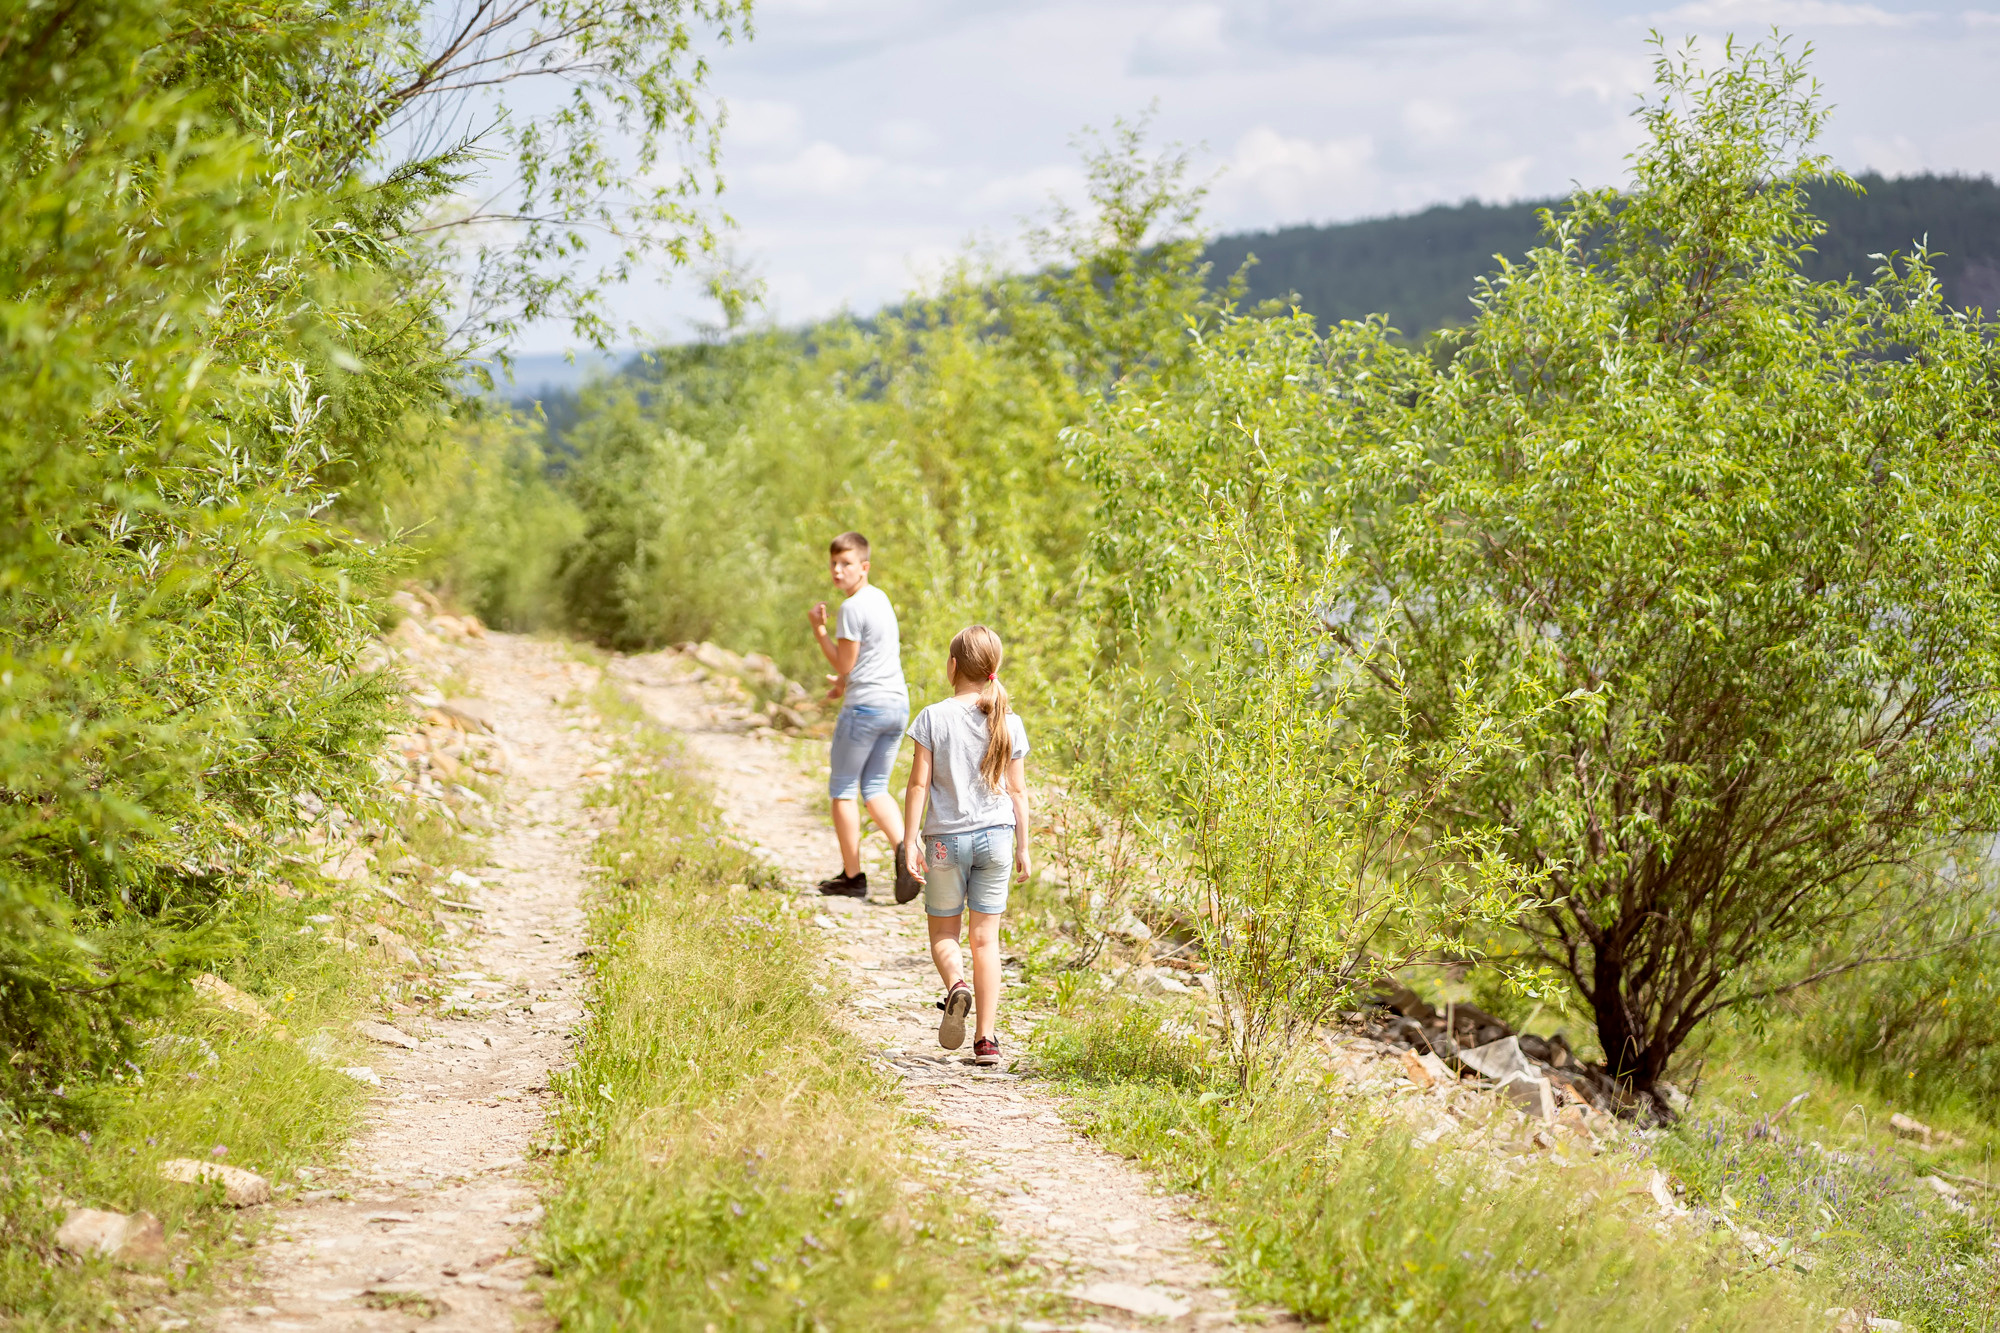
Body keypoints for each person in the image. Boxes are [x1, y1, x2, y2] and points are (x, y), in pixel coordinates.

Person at [902, 625, 1030, 1067]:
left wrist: (907, 840)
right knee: (985, 941)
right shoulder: (1008, 721)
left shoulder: (932, 717)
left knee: (943, 933)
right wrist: (1023, 848)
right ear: (994, 670)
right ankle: (986, 1041)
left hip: (945, 843)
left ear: (952, 666)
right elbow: (1017, 793)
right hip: (997, 837)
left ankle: (956, 986)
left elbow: (918, 784)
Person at [808, 532, 908, 899]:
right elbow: (868, 663)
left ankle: (853, 878)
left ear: (864, 567)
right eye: (833, 563)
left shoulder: (850, 608)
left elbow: (844, 662)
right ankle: (905, 853)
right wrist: (842, 684)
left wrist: (819, 631)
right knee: (876, 788)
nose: (837, 570)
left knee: (843, 789)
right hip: (896, 705)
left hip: (864, 708)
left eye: (846, 563)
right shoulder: (880, 598)